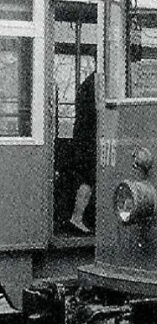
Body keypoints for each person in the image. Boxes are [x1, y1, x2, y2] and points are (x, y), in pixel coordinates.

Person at [65, 74, 96, 235]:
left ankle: (77, 217)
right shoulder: (95, 84)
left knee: (86, 180)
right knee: (88, 181)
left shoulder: (85, 85)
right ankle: (77, 218)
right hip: (88, 142)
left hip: (81, 140)